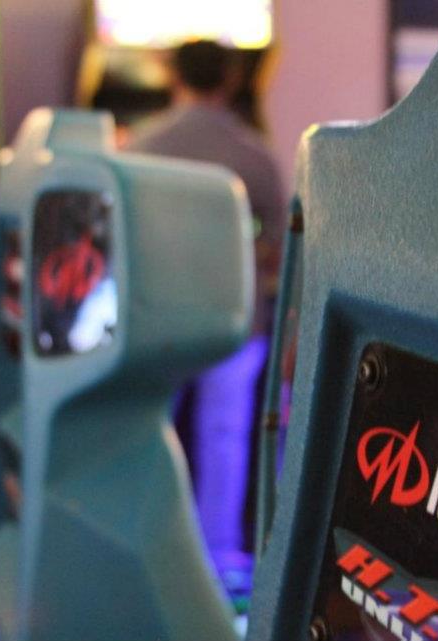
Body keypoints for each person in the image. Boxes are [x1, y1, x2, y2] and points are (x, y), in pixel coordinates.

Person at [127, 40, 286, 557]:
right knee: (223, 440)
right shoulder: (253, 153)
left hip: (156, 317)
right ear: (232, 80)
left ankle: (149, 552)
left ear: (174, 77)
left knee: (149, 437)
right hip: (233, 317)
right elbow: (279, 246)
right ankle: (218, 560)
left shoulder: (139, 147)